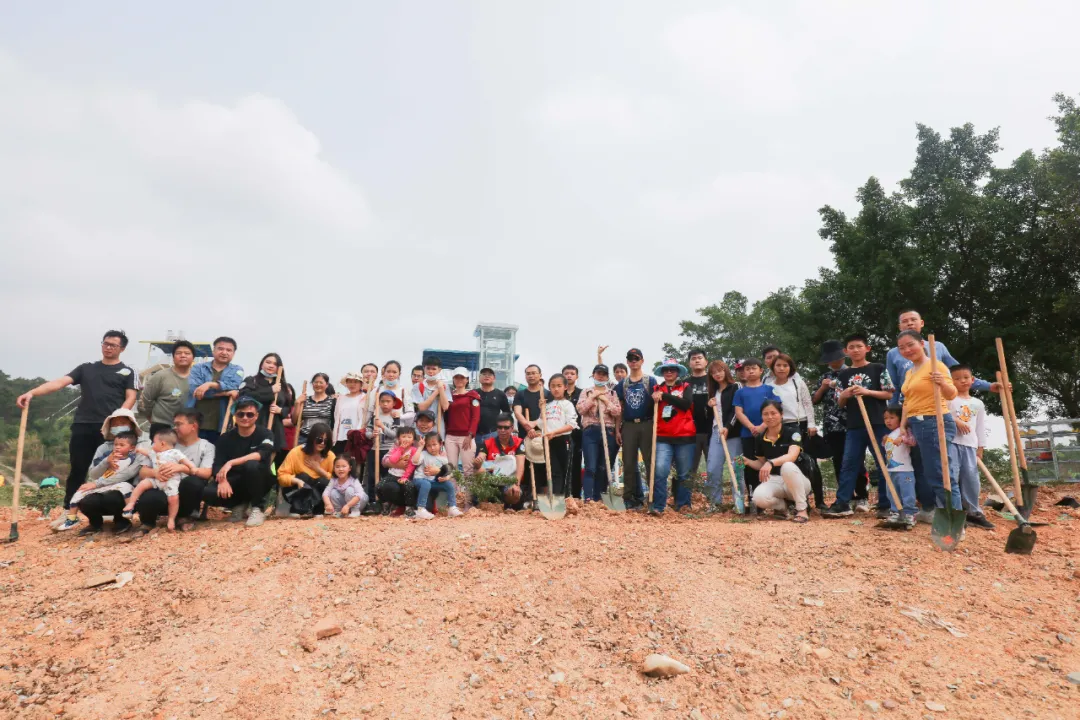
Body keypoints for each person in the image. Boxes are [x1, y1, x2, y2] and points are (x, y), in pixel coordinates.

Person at [17, 330, 138, 530]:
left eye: (113, 345)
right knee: (78, 468)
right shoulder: (86, 369)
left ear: (122, 349)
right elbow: (59, 383)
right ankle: (68, 511)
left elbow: (131, 397)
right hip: (83, 424)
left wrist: (119, 418)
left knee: (113, 467)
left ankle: (113, 514)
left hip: (110, 429)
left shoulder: (127, 372)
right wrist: (31, 392)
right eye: (105, 343)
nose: (108, 347)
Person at [822, 335, 895, 518]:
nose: (855, 350)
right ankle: (842, 503)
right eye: (851, 347)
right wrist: (845, 394)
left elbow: (888, 395)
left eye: (859, 346)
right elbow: (840, 403)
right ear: (845, 352)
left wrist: (866, 391)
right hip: (854, 426)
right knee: (849, 463)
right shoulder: (843, 375)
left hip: (878, 422)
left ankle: (886, 504)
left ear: (867, 348)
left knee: (883, 462)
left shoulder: (878, 368)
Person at [896, 330, 962, 513]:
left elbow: (952, 394)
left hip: (934, 420)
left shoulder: (936, 365)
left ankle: (954, 516)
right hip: (917, 423)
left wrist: (942, 382)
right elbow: (907, 400)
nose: (907, 350)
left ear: (922, 344)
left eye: (911, 345)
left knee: (939, 473)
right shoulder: (910, 372)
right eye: (902, 348)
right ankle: (948, 512)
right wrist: (903, 424)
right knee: (933, 473)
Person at [134, 409, 216, 532]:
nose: (175, 428)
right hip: (162, 485)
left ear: (193, 426)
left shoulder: (206, 446)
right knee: (149, 495)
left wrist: (183, 468)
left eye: (179, 424)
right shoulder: (163, 443)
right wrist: (155, 473)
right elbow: (142, 472)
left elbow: (206, 473)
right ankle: (147, 522)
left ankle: (183, 517)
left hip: (184, 492)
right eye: (174, 424)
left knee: (193, 483)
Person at [813, 340, 870, 514]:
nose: (833, 361)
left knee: (857, 461)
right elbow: (814, 400)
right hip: (832, 427)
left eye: (836, 358)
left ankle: (862, 497)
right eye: (830, 359)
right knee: (839, 462)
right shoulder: (824, 377)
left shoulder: (852, 373)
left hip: (852, 423)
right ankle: (846, 498)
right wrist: (823, 388)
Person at [202, 396, 277, 527]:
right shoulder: (225, 438)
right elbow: (217, 464)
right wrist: (222, 480)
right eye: (240, 414)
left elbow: (261, 454)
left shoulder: (266, 434)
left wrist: (231, 462)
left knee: (251, 466)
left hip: (259, 478)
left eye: (250, 414)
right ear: (234, 415)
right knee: (208, 492)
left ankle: (257, 508)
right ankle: (238, 505)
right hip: (235, 480)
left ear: (256, 416)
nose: (245, 418)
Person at [746, 400, 812, 523]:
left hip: (798, 481)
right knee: (758, 497)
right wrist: (747, 462)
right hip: (776, 480)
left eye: (773, 413)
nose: (769, 417)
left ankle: (802, 509)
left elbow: (792, 456)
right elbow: (762, 464)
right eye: (765, 414)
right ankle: (783, 508)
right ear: (762, 417)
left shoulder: (793, 432)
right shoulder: (760, 438)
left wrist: (771, 463)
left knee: (787, 466)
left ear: (781, 415)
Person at [73, 430, 147, 536]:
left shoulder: (136, 455)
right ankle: (95, 523)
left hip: (122, 489)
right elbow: (93, 474)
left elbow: (127, 474)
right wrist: (106, 461)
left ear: (131, 447)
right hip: (102, 486)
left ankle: (121, 520)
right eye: (116, 444)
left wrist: (97, 484)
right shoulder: (105, 453)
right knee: (86, 500)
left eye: (121, 445)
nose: (117, 447)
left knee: (113, 497)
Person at [121, 429, 195, 531]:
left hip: (170, 481)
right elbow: (147, 453)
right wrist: (138, 450)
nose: (152, 445)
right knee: (142, 484)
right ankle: (131, 503)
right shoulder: (154, 453)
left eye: (154, 443)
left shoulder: (175, 453)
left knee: (173, 499)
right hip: (156, 480)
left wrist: (192, 467)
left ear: (162, 443)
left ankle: (172, 519)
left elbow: (185, 461)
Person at [949, 365, 994, 530]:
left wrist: (980, 447)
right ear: (950, 381)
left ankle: (973, 512)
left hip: (970, 445)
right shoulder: (948, 400)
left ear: (972, 380)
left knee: (971, 480)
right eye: (957, 378)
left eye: (966, 377)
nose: (962, 381)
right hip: (951, 443)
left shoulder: (978, 403)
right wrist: (956, 420)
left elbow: (980, 426)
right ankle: (954, 512)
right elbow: (940, 413)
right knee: (951, 478)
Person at [650, 358, 696, 515]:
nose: (669, 372)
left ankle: (683, 505)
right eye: (666, 370)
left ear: (677, 372)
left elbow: (686, 403)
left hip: (685, 436)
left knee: (684, 473)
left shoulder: (686, 386)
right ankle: (658, 505)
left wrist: (665, 396)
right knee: (661, 471)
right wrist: (657, 396)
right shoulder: (656, 388)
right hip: (663, 437)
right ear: (662, 373)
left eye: (672, 369)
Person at [613, 348, 657, 511]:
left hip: (647, 424)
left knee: (649, 461)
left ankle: (652, 497)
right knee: (629, 463)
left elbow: (656, 404)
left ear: (642, 361)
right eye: (630, 359)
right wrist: (618, 430)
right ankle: (629, 499)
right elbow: (620, 408)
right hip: (629, 425)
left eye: (636, 359)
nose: (633, 362)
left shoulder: (650, 381)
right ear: (627, 362)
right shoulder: (622, 384)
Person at [732, 359, 780, 496]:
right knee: (750, 465)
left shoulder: (769, 389)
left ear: (761, 370)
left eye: (754, 368)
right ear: (743, 372)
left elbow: (776, 410)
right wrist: (752, 427)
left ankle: (773, 496)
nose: (751, 371)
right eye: (747, 369)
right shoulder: (740, 392)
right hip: (747, 435)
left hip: (769, 434)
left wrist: (762, 426)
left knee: (769, 464)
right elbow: (738, 412)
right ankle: (753, 498)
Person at [238, 353, 293, 467]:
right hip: (254, 424)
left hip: (275, 427)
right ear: (262, 364)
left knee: (269, 460)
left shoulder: (282, 386)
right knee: (251, 460)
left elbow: (288, 407)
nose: (271, 365)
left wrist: (280, 411)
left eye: (275, 364)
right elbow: (245, 396)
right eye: (268, 362)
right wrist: (270, 391)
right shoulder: (251, 380)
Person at [576, 365, 621, 503]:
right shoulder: (586, 391)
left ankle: (599, 497)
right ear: (593, 375)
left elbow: (617, 412)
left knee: (604, 467)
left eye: (603, 374)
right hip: (591, 431)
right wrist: (593, 397)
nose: (600, 376)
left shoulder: (612, 394)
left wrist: (606, 401)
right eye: (598, 373)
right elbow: (581, 410)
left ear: (607, 377)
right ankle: (588, 498)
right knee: (591, 466)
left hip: (608, 431)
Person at [186, 336, 244, 442]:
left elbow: (234, 386)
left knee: (216, 457)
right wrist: (226, 393)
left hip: (222, 424)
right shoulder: (198, 368)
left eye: (229, 350)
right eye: (220, 349)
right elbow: (195, 391)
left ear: (233, 354)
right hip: (195, 423)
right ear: (213, 351)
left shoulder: (237, 370)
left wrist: (209, 384)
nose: (224, 352)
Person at [140, 340, 196, 439]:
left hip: (187, 428)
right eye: (178, 353)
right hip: (161, 426)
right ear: (173, 357)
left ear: (193, 358)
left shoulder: (197, 378)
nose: (183, 355)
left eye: (187, 353)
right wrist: (151, 417)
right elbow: (147, 398)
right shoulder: (160, 376)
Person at [277, 422, 336, 516]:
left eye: (326, 441)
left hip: (319, 492)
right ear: (312, 438)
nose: (322, 443)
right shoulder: (296, 452)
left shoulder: (330, 456)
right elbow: (281, 476)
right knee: (303, 477)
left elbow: (336, 480)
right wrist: (296, 481)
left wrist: (319, 470)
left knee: (323, 481)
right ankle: (297, 509)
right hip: (297, 490)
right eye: (319, 440)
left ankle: (318, 510)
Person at [704, 360, 741, 507]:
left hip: (733, 433)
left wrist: (727, 427)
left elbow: (736, 411)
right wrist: (708, 406)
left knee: (737, 468)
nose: (717, 374)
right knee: (712, 467)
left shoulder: (735, 387)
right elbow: (709, 415)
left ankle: (739, 502)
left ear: (725, 370)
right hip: (716, 432)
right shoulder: (713, 392)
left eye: (719, 370)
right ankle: (715, 503)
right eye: (713, 373)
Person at [472, 414, 528, 509]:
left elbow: (520, 465)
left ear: (512, 428)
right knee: (479, 471)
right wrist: (477, 463)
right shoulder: (487, 442)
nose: (502, 430)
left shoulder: (519, 442)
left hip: (510, 481)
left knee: (514, 494)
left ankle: (507, 505)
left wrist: (516, 484)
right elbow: (480, 457)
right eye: (499, 427)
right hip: (493, 481)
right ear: (496, 428)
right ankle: (484, 503)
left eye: (506, 428)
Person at [537, 373, 578, 497]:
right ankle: (554, 497)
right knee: (553, 471)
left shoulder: (568, 405)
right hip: (548, 441)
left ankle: (565, 497)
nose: (556, 389)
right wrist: (541, 410)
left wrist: (554, 433)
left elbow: (571, 425)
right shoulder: (547, 406)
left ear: (565, 387)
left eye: (559, 386)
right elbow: (541, 424)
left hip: (563, 440)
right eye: (553, 386)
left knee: (565, 471)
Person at [363, 389, 404, 510]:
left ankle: (387, 501)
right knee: (372, 476)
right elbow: (367, 432)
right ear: (378, 403)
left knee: (387, 476)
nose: (385, 404)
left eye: (388, 401)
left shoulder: (395, 418)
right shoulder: (374, 417)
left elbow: (395, 435)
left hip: (389, 451)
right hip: (374, 449)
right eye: (382, 401)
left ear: (393, 403)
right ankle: (373, 501)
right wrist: (371, 434)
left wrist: (382, 427)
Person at [413, 432, 465, 519]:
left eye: (434, 444)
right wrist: (420, 448)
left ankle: (452, 507)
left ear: (440, 444)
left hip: (433, 482)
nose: (432, 448)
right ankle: (420, 509)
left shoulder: (443, 459)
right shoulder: (424, 454)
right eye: (429, 445)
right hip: (420, 480)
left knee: (449, 485)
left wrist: (447, 477)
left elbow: (451, 472)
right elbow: (414, 461)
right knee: (426, 484)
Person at [881, 406, 917, 529]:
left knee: (907, 493)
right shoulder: (890, 434)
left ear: (900, 419)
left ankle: (909, 514)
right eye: (886, 418)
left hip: (905, 470)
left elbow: (912, 441)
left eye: (892, 417)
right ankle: (895, 512)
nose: (888, 421)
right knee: (891, 493)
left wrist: (902, 438)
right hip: (890, 470)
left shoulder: (904, 431)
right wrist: (884, 441)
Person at [445, 367, 481, 479]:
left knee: (468, 469)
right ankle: (454, 495)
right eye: (456, 377)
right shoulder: (448, 395)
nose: (459, 380)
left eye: (462, 377)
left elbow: (476, 417)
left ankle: (468, 496)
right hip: (450, 436)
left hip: (466, 437)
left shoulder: (473, 395)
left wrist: (470, 435)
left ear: (467, 380)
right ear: (453, 379)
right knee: (451, 469)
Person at [379, 427, 419, 516]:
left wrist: (405, 477)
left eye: (409, 437)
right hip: (392, 475)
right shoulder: (396, 448)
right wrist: (400, 449)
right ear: (398, 438)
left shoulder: (413, 450)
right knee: (379, 486)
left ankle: (409, 508)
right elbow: (392, 460)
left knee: (409, 487)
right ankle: (385, 505)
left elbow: (411, 465)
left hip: (406, 476)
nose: (406, 439)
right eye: (403, 436)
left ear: (413, 440)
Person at [686, 348, 713, 479]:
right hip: (691, 432)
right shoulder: (684, 383)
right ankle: (688, 497)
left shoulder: (714, 380)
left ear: (706, 361)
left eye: (699, 358)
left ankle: (714, 498)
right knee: (690, 469)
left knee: (713, 467)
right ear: (689, 363)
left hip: (711, 431)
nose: (697, 360)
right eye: (693, 358)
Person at [411, 357, 452, 436]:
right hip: (421, 428)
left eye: (434, 369)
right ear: (424, 369)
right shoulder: (418, 386)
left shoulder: (444, 386)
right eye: (428, 368)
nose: (430, 371)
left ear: (439, 370)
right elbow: (422, 407)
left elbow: (445, 406)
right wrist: (436, 391)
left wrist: (441, 388)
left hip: (438, 427)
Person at [560, 364, 584, 500]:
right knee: (562, 464)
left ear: (577, 376)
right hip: (560, 434)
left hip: (577, 434)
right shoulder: (557, 393)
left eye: (572, 373)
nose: (569, 376)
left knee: (576, 465)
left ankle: (576, 496)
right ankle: (562, 494)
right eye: (566, 373)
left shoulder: (582, 393)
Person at [293, 373, 336, 446]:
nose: (318, 384)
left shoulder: (332, 401)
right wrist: (297, 403)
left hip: (323, 439)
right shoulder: (304, 400)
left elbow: (334, 422)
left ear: (327, 385)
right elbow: (294, 421)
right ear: (312, 384)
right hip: (304, 438)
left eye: (321, 382)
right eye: (316, 382)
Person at [332, 372, 366, 457]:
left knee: (354, 465)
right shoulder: (341, 398)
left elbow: (365, 418)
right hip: (340, 436)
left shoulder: (365, 398)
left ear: (361, 384)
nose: (352, 384)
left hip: (356, 437)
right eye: (349, 381)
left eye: (355, 382)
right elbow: (336, 416)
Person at [474, 368, 511, 447]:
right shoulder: (474, 393)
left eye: (490, 375)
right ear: (479, 378)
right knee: (475, 458)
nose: (486, 376)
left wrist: (503, 429)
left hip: (493, 433)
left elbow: (507, 413)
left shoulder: (500, 394)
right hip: (474, 434)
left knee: (492, 458)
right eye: (484, 374)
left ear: (494, 378)